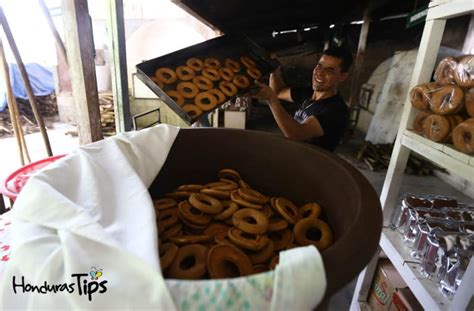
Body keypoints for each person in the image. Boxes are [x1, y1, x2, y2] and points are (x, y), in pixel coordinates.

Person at [251, 47, 353, 151]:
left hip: (311, 164)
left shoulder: (336, 111)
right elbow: (278, 92)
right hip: (295, 156)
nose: (320, 73)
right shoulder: (309, 93)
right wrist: (274, 69)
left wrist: (271, 99)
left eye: (329, 70)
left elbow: (296, 133)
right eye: (319, 65)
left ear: (342, 76)